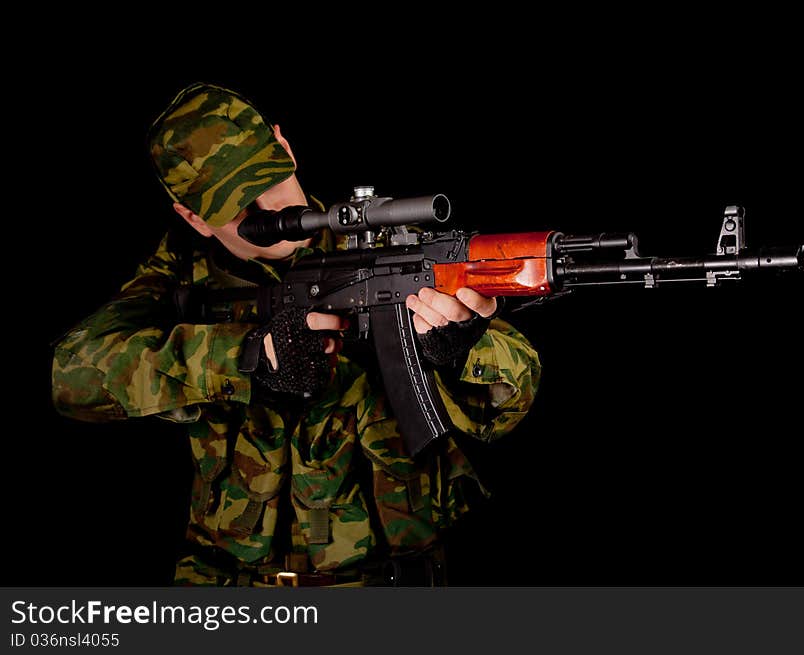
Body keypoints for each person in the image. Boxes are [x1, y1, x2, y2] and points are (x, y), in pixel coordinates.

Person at [51, 82, 541, 586]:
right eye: (237, 209)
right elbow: (71, 377)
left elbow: (516, 391)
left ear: (285, 148)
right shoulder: (181, 277)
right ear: (193, 217)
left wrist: (459, 349)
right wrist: (244, 358)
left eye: (270, 181)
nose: (272, 213)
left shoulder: (391, 250)